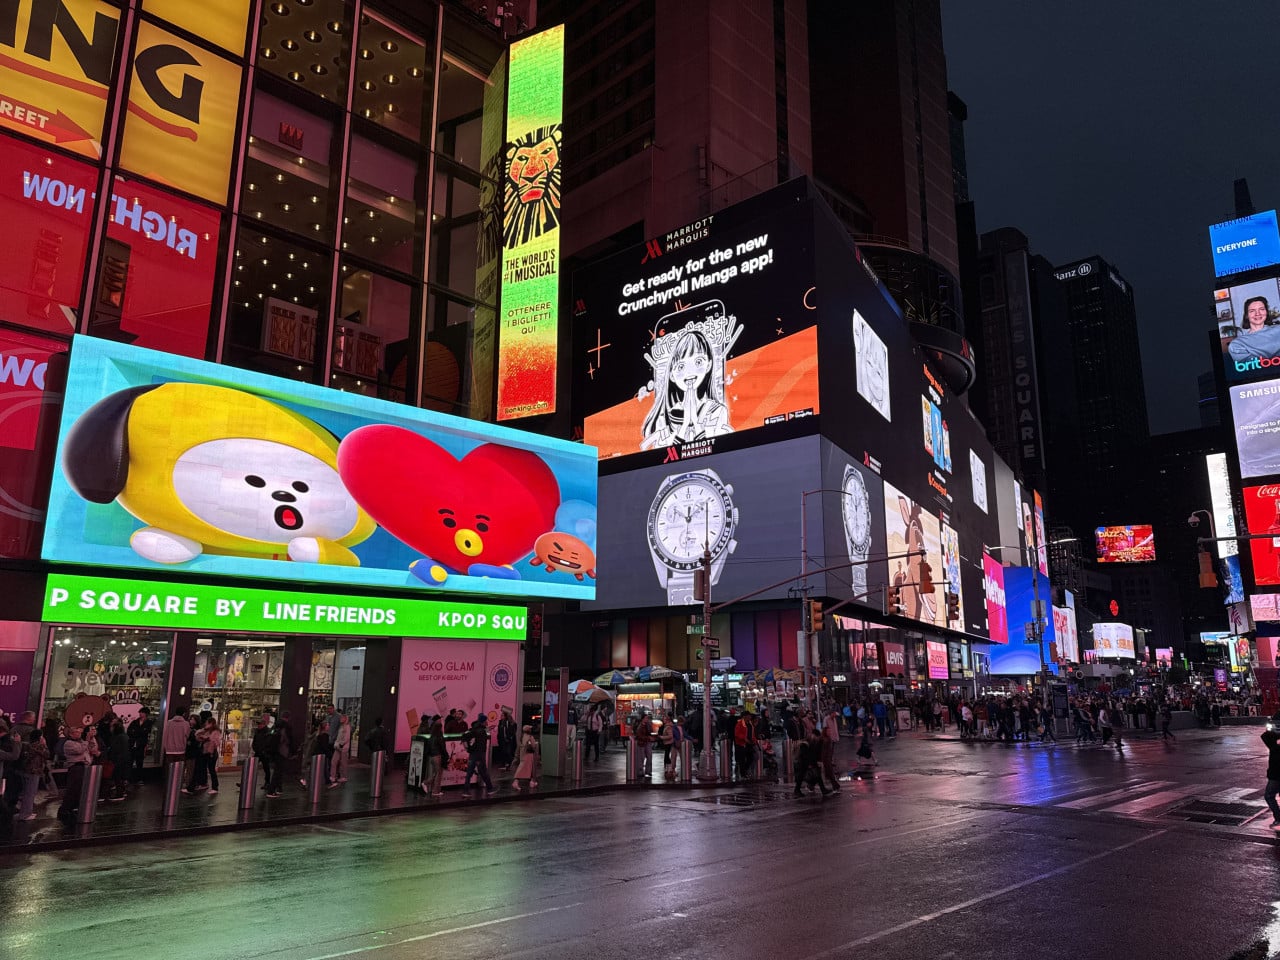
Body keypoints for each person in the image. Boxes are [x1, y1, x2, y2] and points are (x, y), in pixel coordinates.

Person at [640, 326, 733, 449]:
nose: (689, 372)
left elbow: (716, 450)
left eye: (698, 362)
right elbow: (664, 455)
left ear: (709, 365)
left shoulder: (717, 410)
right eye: (681, 366)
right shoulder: (664, 418)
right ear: (671, 375)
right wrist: (684, 426)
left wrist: (695, 422)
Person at [56, 725, 98, 823]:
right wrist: (86, 741)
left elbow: (91, 748)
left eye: (80, 732)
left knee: (79, 790)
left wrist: (91, 739)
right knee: (72, 789)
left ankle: (73, 808)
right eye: (77, 732)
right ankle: (64, 810)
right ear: (71, 734)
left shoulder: (81, 742)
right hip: (75, 767)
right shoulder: (68, 743)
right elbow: (80, 750)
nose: (79, 734)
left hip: (83, 767)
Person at [18, 729, 50, 821]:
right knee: (30, 793)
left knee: (27, 792)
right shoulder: (38, 745)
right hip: (34, 771)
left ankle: (25, 812)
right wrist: (45, 744)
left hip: (26, 771)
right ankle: (25, 814)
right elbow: (47, 754)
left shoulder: (28, 745)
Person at [185, 715, 222, 795]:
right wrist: (204, 730)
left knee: (211, 770)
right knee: (199, 769)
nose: (206, 724)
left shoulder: (216, 732)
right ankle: (194, 787)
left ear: (211, 723)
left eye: (207, 723)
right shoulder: (206, 731)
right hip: (204, 752)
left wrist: (207, 738)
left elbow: (216, 742)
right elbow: (197, 734)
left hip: (211, 753)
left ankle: (215, 787)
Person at [461, 716, 494, 795]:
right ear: (483, 722)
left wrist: (467, 748)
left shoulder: (472, 730)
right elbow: (482, 736)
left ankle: (466, 791)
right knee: (483, 771)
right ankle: (490, 789)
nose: (487, 722)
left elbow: (464, 736)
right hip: (480, 754)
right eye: (486, 721)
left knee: (469, 773)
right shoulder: (482, 731)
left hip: (473, 754)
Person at [126, 707, 154, 783]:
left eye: (142, 712)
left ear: (146, 714)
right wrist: (139, 732)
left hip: (141, 745)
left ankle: (138, 779)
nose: (140, 714)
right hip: (132, 744)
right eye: (140, 712)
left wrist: (136, 732)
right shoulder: (135, 722)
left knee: (139, 762)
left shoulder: (149, 723)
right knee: (130, 762)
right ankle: (128, 778)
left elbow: (146, 732)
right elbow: (129, 731)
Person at [106, 718, 130, 801]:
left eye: (112, 727)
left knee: (118, 777)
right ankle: (122, 792)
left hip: (119, 760)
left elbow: (117, 749)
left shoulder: (118, 737)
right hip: (123, 760)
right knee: (120, 777)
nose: (110, 728)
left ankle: (119, 794)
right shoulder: (124, 736)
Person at [1262, 715, 1280, 830]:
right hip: (1275, 773)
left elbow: (1265, 736)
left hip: (1276, 773)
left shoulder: (1274, 744)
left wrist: (1275, 732)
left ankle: (1278, 818)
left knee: (1269, 795)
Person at [512, 725, 540, 791]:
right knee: (530, 769)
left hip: (523, 755)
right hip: (529, 755)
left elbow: (519, 747)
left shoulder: (522, 737)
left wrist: (516, 756)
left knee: (525, 769)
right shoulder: (530, 737)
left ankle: (532, 782)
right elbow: (533, 746)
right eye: (530, 729)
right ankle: (517, 782)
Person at [426, 718, 447, 797]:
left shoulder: (431, 736)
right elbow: (442, 747)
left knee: (434, 773)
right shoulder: (439, 737)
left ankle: (429, 786)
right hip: (437, 756)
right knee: (438, 774)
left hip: (431, 756)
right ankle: (435, 791)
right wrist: (446, 755)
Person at [252, 714, 274, 791]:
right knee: (252, 767)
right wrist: (255, 748)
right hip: (258, 752)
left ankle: (267, 783)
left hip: (264, 753)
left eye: (260, 724)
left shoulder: (267, 732)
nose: (258, 725)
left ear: (264, 724)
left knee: (266, 768)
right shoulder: (258, 732)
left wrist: (265, 751)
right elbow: (255, 741)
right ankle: (247, 781)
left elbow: (269, 743)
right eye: (258, 724)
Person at [733, 711, 756, 781]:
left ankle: (744, 771)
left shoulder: (750, 724)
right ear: (744, 716)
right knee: (742, 760)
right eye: (749, 716)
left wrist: (754, 740)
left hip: (749, 744)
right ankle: (743, 774)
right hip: (741, 744)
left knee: (751, 758)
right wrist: (744, 739)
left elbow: (752, 733)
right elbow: (737, 734)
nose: (750, 717)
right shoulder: (739, 723)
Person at [330, 714, 351, 786]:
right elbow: (338, 736)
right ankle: (332, 776)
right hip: (337, 746)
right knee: (334, 761)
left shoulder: (347, 727)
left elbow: (347, 737)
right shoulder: (341, 726)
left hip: (343, 747)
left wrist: (341, 744)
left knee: (343, 762)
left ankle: (343, 777)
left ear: (345, 719)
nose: (340, 719)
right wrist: (336, 743)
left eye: (342, 718)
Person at [634, 711, 654, 778]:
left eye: (647, 718)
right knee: (641, 758)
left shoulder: (648, 725)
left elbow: (651, 732)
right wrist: (648, 738)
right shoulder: (640, 726)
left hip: (647, 742)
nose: (647, 719)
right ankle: (640, 771)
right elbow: (639, 735)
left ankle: (648, 771)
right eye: (646, 718)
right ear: (642, 719)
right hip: (641, 743)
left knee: (649, 756)